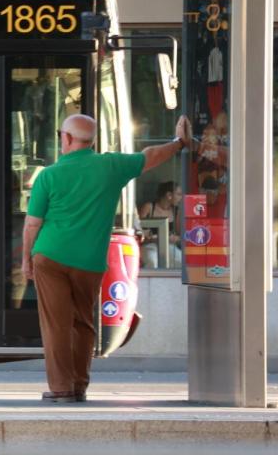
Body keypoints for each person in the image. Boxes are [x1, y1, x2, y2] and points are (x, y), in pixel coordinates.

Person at [21, 113, 191, 403]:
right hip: (89, 261)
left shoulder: (48, 175)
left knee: (56, 324)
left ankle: (61, 388)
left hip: (50, 257)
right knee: (84, 323)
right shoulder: (111, 166)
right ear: (92, 141)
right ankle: (78, 386)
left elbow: (33, 224)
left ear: (67, 138)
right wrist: (178, 143)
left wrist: (26, 259)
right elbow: (149, 156)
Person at [138, 181, 183, 268]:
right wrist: (150, 237)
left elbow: (179, 234)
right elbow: (138, 229)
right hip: (149, 245)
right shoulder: (149, 207)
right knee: (152, 261)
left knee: (180, 260)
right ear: (169, 195)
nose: (180, 198)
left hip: (168, 246)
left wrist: (175, 238)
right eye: (178, 194)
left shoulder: (176, 211)